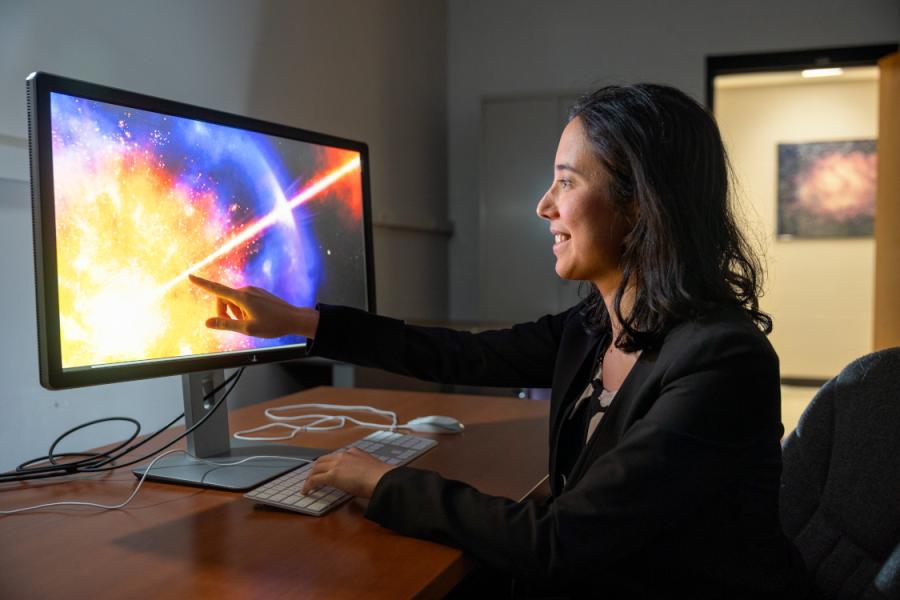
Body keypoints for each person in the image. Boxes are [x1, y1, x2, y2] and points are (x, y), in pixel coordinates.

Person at [189, 84, 809, 598]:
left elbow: (561, 543)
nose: (544, 205)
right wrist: (304, 322)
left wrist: (383, 484)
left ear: (640, 203)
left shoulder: (721, 361)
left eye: (566, 182)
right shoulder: (596, 324)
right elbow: (460, 354)